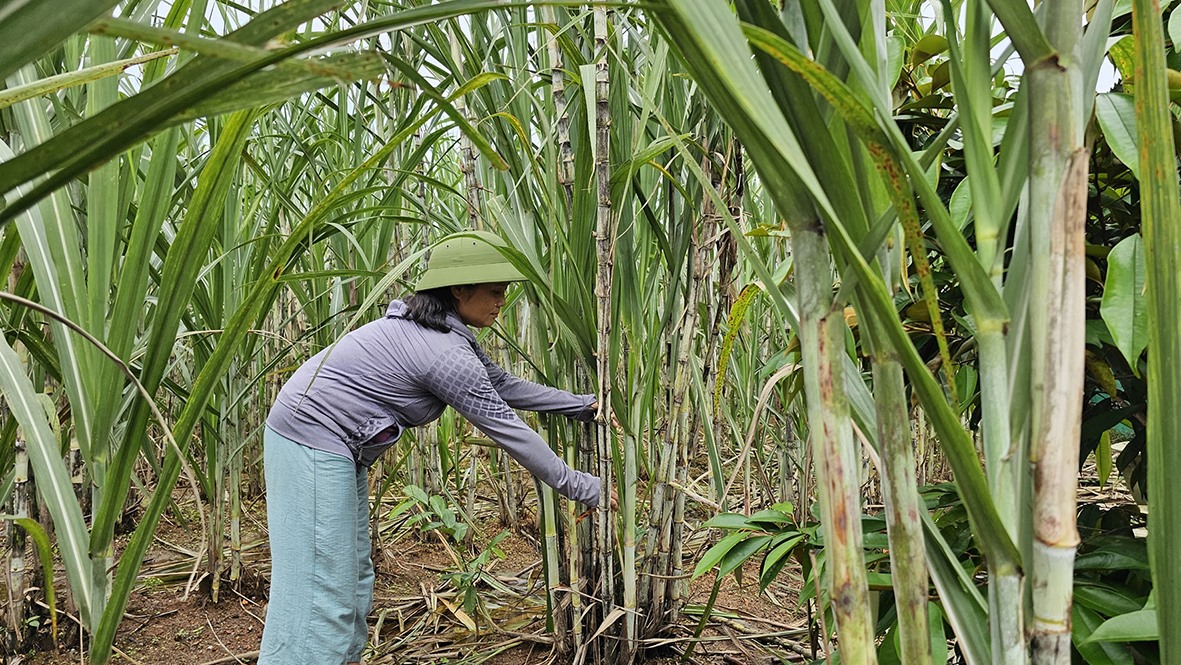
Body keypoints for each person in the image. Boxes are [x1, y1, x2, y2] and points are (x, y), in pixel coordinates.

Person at [258, 231, 604, 665]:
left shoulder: (441, 333)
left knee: (352, 576)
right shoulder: (443, 354)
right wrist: (582, 486)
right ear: (459, 290)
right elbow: (506, 428)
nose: (502, 302)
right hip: (309, 439)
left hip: (336, 448)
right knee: (321, 588)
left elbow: (503, 387)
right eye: (495, 292)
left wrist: (580, 405)